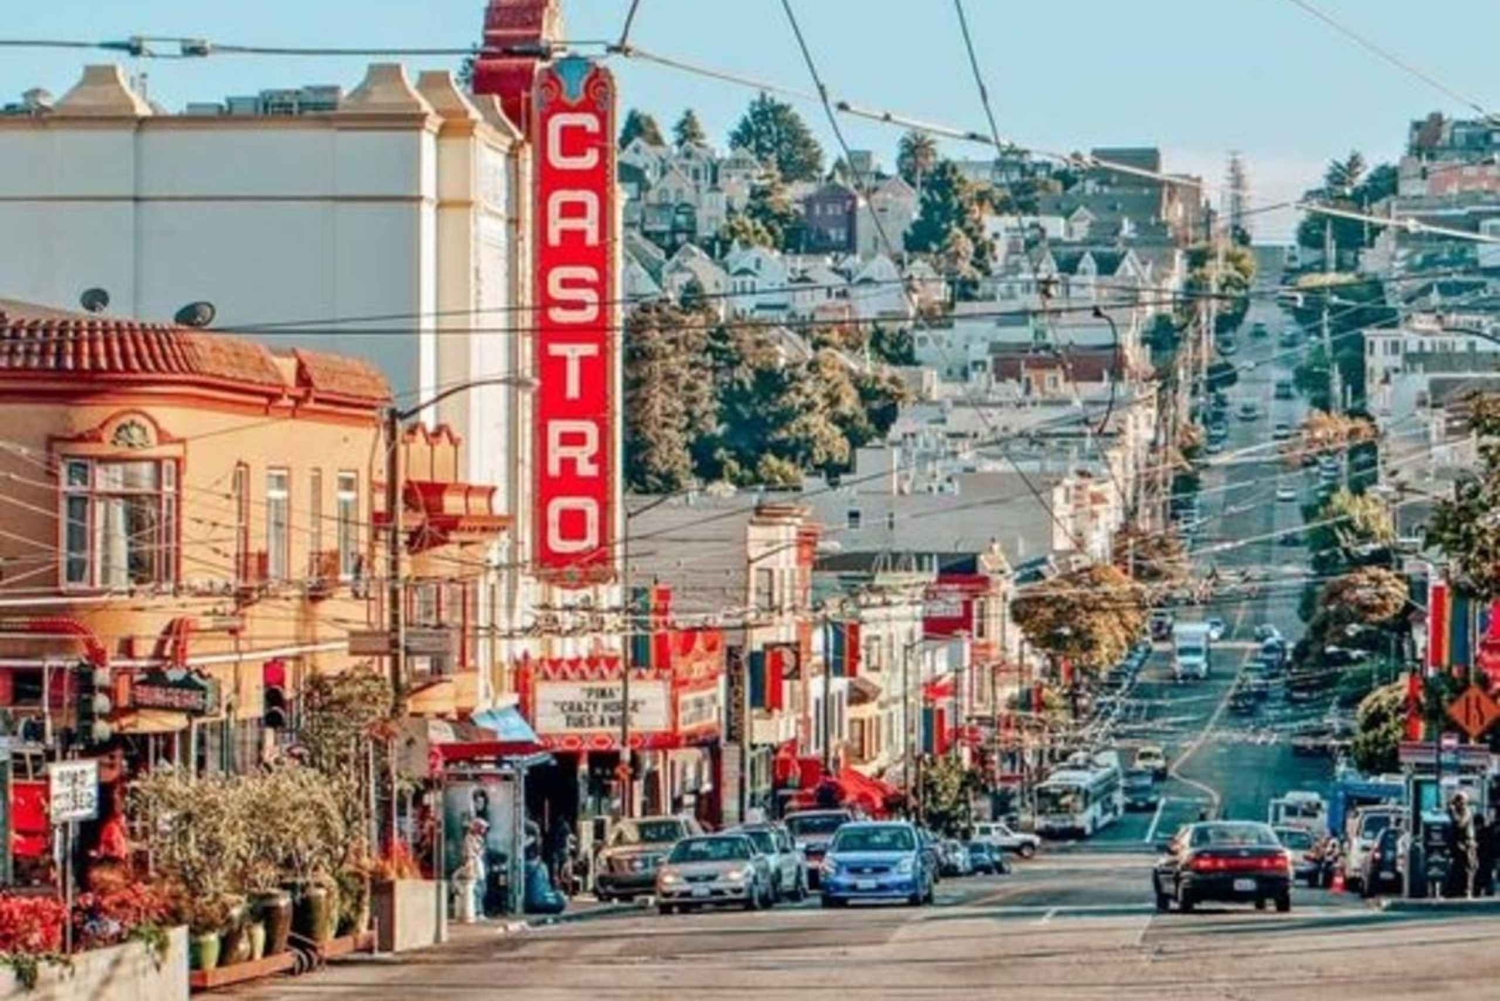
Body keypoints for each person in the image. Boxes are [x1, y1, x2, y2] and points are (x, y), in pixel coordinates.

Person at [1446, 792, 1477, 899]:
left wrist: (1453, 811)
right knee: (1456, 868)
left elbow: (1460, 823)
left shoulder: (1466, 811)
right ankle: (1454, 890)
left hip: (1466, 843)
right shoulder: (1454, 812)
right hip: (1457, 843)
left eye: (1461, 801)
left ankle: (1466, 890)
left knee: (1467, 867)